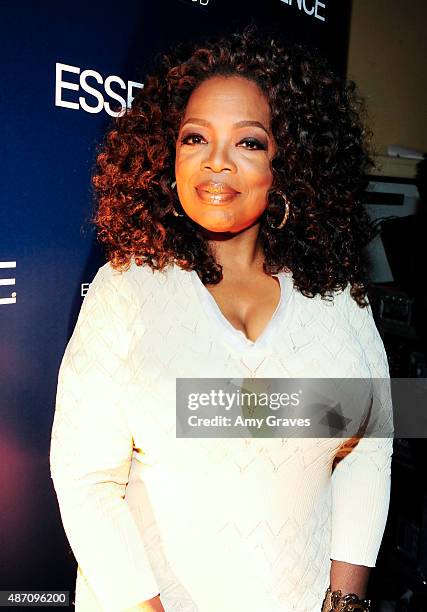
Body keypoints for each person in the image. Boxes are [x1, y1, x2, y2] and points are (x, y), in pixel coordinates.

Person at [49, 24, 394, 612]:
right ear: (169, 156)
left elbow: (373, 441)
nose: (216, 164)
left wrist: (345, 600)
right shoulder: (127, 289)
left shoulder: (337, 298)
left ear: (290, 161)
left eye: (249, 142)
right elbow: (86, 483)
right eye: (195, 138)